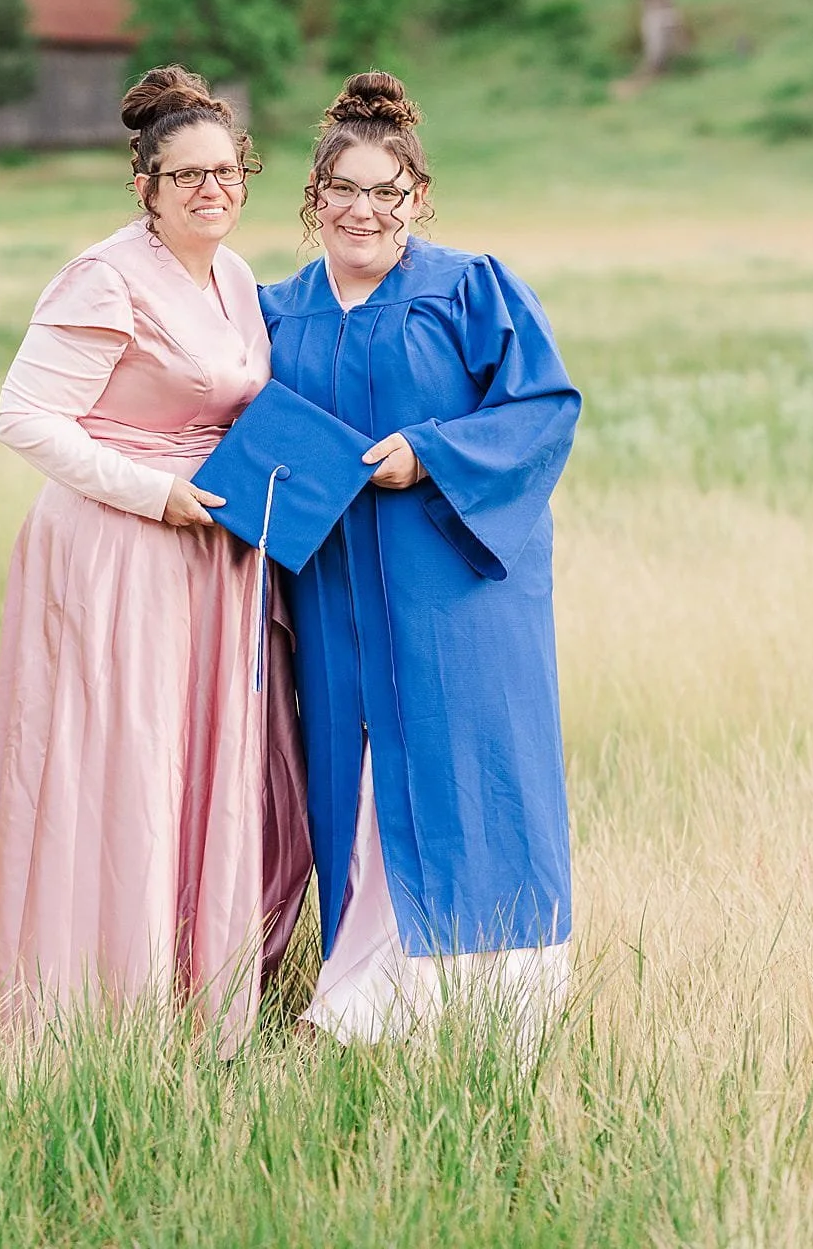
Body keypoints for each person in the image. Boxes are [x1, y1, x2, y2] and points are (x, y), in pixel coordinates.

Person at [0, 66, 310, 1051]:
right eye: (186, 174)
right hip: (118, 549)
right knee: (125, 761)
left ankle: (201, 986)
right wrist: (153, 493)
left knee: (199, 760)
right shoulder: (104, 277)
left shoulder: (234, 277)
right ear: (145, 186)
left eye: (229, 171)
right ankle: (97, 1003)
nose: (212, 189)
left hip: (215, 556)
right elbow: (22, 416)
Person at [259, 72, 579, 1048]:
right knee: (354, 779)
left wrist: (427, 453)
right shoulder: (270, 312)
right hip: (331, 594)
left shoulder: (468, 288)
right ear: (312, 198)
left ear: (418, 197)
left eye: (386, 191)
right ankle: (361, 996)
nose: (365, 210)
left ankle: (482, 1003)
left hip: (452, 586)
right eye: (344, 190)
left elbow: (539, 410)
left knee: (461, 771)